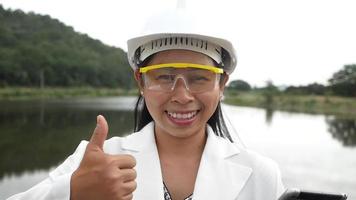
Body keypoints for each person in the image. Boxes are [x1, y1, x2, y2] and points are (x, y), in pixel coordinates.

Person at [7, 9, 284, 200]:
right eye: (164, 77)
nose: (182, 96)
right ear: (140, 81)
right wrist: (72, 192)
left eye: (199, 78)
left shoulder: (261, 175)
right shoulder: (97, 160)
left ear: (222, 84)